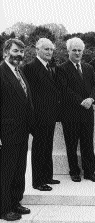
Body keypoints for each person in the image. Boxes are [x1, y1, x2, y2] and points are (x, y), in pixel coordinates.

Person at [0, 38, 34, 221]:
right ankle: (4, 209)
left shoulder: (19, 72)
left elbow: (25, 101)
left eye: (21, 52)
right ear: (6, 52)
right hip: (7, 132)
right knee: (5, 172)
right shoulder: (1, 72)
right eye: (15, 51)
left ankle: (15, 202)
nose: (19, 55)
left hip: (22, 132)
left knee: (19, 170)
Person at [22, 38, 62, 191]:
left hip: (50, 116)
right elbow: (28, 95)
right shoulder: (30, 68)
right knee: (39, 148)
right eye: (46, 49)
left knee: (47, 146)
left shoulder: (48, 67)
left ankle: (47, 176)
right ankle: (38, 182)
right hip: (38, 117)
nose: (49, 52)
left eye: (51, 50)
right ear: (37, 50)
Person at [59, 37, 95, 182]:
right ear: (68, 51)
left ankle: (90, 172)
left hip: (87, 112)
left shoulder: (88, 68)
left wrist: (91, 99)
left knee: (88, 143)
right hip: (70, 113)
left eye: (79, 50)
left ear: (83, 52)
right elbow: (64, 90)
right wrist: (81, 101)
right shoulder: (62, 69)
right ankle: (74, 172)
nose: (77, 53)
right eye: (74, 50)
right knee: (71, 144)